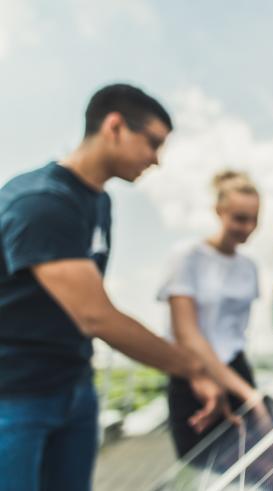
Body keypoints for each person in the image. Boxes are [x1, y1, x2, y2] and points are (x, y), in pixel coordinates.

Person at [0, 83, 228, 491]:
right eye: (152, 143)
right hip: (14, 396)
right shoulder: (41, 202)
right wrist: (193, 368)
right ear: (115, 126)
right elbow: (95, 315)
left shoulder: (99, 202)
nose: (156, 160)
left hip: (74, 388)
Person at [158, 170, 267, 458]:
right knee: (202, 465)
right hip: (192, 376)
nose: (247, 227)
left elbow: (234, 331)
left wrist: (240, 387)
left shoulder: (249, 267)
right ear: (219, 211)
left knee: (252, 461)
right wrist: (247, 393)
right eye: (239, 218)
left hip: (236, 369)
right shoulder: (187, 256)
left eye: (254, 219)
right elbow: (186, 333)